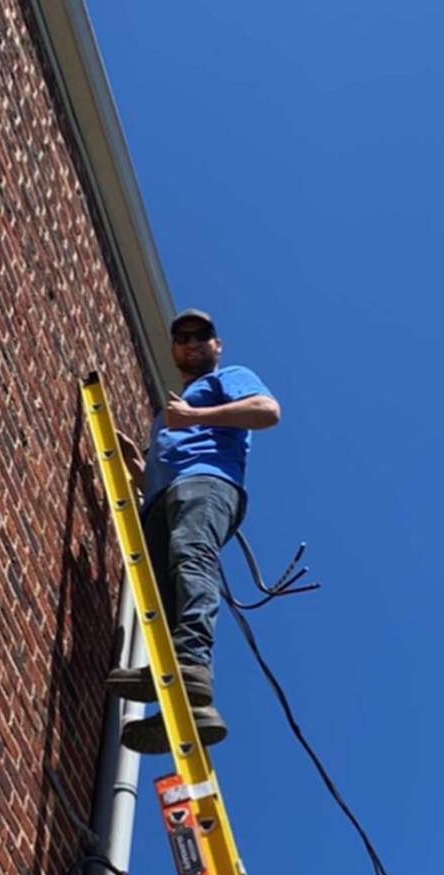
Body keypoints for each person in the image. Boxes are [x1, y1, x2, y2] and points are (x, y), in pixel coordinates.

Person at [107, 308, 281, 754]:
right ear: (173, 349)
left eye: (202, 336)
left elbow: (267, 411)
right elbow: (170, 461)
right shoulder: (171, 412)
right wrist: (138, 466)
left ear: (216, 345)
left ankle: (192, 666)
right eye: (182, 337)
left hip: (208, 483)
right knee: (161, 597)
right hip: (165, 496)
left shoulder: (228, 379)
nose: (191, 343)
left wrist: (195, 417)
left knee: (191, 556)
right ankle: (186, 711)